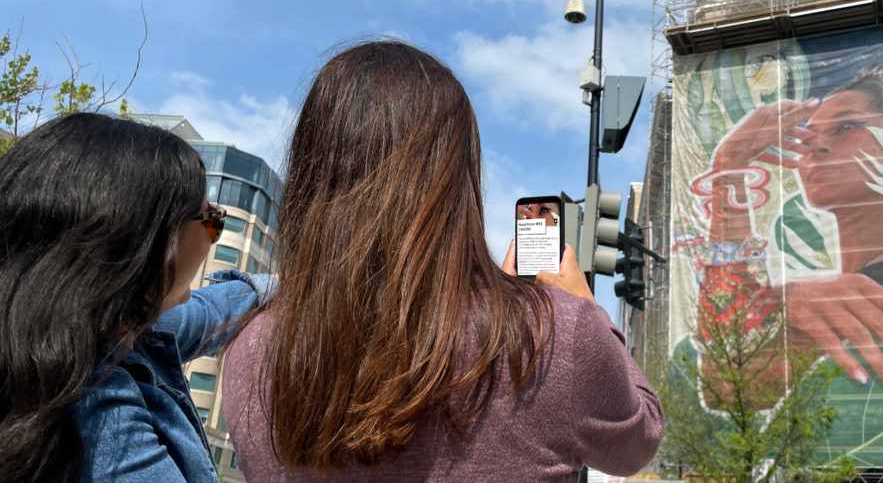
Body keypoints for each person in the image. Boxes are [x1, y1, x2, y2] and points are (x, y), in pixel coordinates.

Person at [221, 41, 663, 481]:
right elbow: (637, 443)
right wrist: (588, 314)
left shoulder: (250, 352)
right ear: (457, 178)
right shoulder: (555, 335)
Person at [0, 113, 274, 482]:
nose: (216, 235)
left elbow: (211, 310)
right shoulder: (103, 421)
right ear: (146, 245)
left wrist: (286, 285)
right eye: (211, 220)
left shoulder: (108, 328)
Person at [699, 61, 883, 392]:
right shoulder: (821, 295)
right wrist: (729, 163)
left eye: (846, 127)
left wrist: (775, 300)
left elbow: (732, 381)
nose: (817, 147)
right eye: (807, 140)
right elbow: (724, 376)